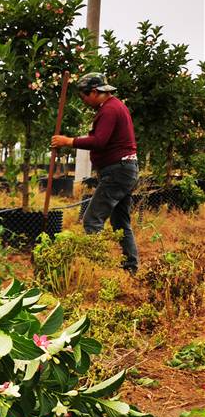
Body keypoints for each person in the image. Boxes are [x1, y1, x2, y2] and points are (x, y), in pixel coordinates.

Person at [51, 72, 139, 274]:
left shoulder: (110, 109)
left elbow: (99, 141)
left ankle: (95, 269)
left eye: (83, 97)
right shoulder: (113, 107)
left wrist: (69, 141)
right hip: (124, 169)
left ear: (94, 92)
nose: (83, 102)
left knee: (92, 220)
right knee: (120, 222)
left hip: (118, 171)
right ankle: (130, 268)